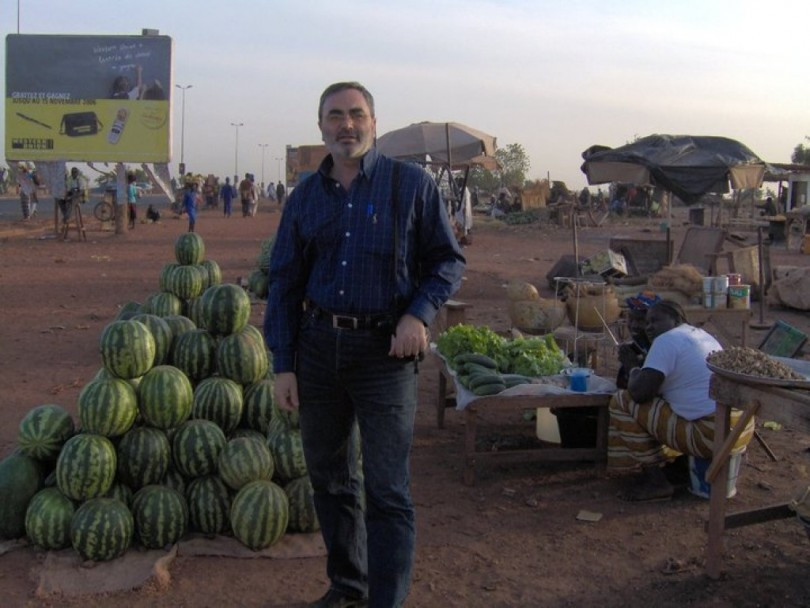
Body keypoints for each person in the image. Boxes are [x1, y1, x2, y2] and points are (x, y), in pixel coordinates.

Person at [264, 81, 465, 608]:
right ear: (321, 126)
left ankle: (385, 601)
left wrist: (417, 314)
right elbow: (283, 281)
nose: (346, 125)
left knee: (387, 490)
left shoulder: (411, 186)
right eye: (335, 116)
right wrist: (283, 365)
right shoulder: (304, 197)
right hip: (318, 352)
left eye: (356, 114)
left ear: (373, 123)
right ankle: (348, 587)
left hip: (386, 355)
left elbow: (447, 261)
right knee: (330, 481)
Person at [608, 300, 754, 501]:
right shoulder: (701, 335)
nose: (648, 327)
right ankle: (681, 467)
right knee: (671, 402)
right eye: (647, 322)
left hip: (711, 436)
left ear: (677, 319)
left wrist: (632, 366)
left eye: (655, 320)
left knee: (622, 402)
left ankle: (656, 482)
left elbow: (640, 394)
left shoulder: (666, 340)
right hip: (739, 429)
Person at [615, 292, 658, 389]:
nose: (634, 325)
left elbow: (644, 389)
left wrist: (632, 365)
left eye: (640, 320)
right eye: (631, 319)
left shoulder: (661, 347)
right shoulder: (639, 345)